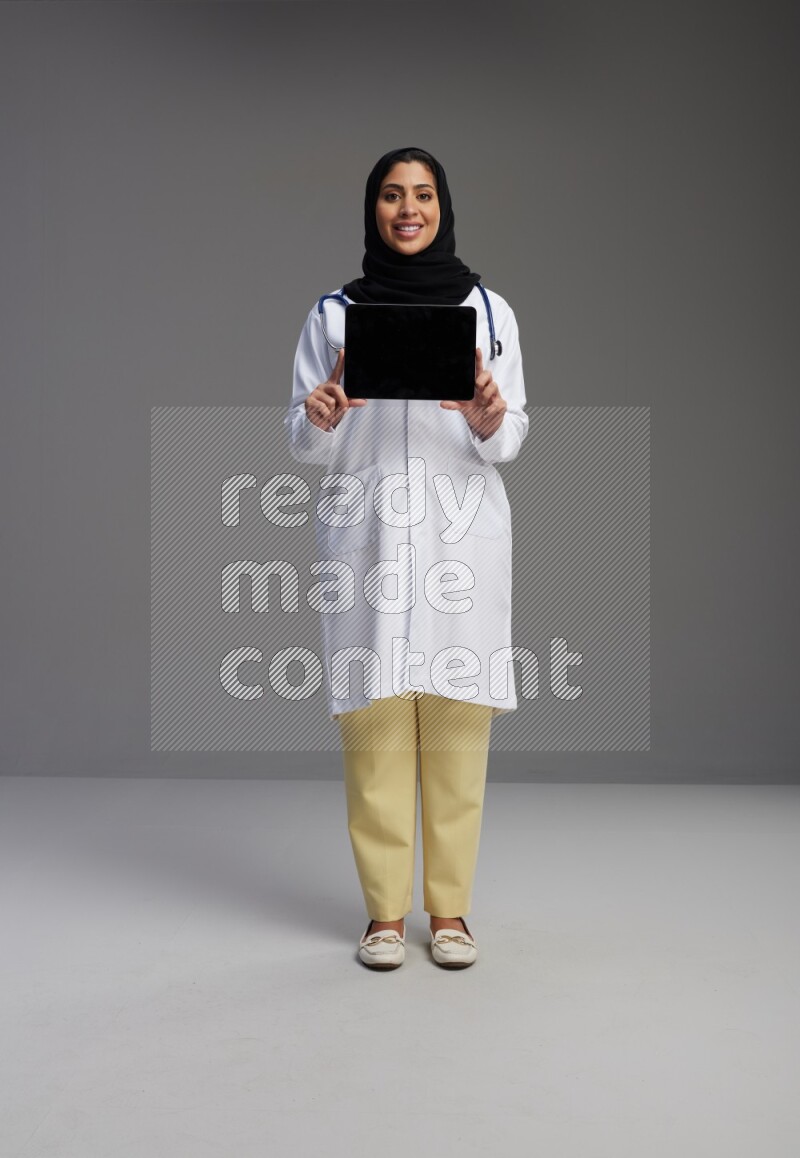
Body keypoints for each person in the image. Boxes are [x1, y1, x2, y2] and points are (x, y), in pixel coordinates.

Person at [284, 146, 529, 970]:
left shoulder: (489, 311)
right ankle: (385, 916)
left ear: (443, 205)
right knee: (376, 729)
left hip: (461, 539)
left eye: (422, 194)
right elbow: (299, 442)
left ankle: (450, 913)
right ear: (373, 210)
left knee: (458, 731)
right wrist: (318, 413)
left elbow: (515, 435)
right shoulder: (332, 314)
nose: (408, 208)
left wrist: (489, 413)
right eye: (392, 195)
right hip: (370, 541)